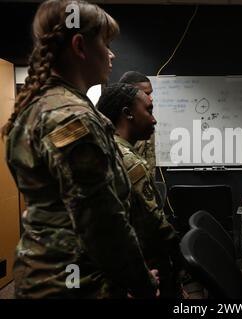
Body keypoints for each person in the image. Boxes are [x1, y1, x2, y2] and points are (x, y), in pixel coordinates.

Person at [2, 0, 159, 298]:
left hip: (46, 276)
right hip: (75, 284)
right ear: (80, 46)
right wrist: (141, 282)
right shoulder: (72, 118)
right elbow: (101, 221)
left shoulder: (38, 107)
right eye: (106, 43)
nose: (112, 54)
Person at [96, 83, 183, 298]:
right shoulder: (130, 161)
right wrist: (181, 255)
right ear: (128, 114)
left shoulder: (105, 148)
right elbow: (156, 225)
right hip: (143, 264)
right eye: (149, 111)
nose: (154, 120)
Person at [118, 71, 156, 178]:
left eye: (150, 93)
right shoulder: (107, 117)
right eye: (146, 94)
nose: (151, 98)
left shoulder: (145, 121)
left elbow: (150, 163)